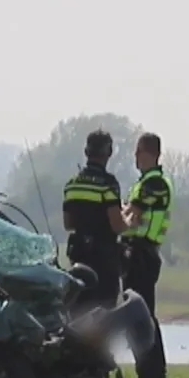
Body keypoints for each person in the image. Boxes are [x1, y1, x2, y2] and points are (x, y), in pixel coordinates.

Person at [122, 132, 173, 378]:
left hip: (143, 253)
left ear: (151, 154)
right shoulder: (145, 182)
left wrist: (113, 217)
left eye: (139, 152)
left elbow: (132, 216)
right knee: (136, 319)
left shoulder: (154, 183)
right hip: (137, 253)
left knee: (143, 318)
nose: (135, 157)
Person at [61, 129, 131, 312]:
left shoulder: (72, 184)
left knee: (78, 310)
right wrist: (130, 221)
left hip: (78, 256)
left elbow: (68, 224)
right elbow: (116, 225)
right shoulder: (107, 183)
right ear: (109, 153)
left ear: (86, 152)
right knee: (105, 312)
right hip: (104, 259)